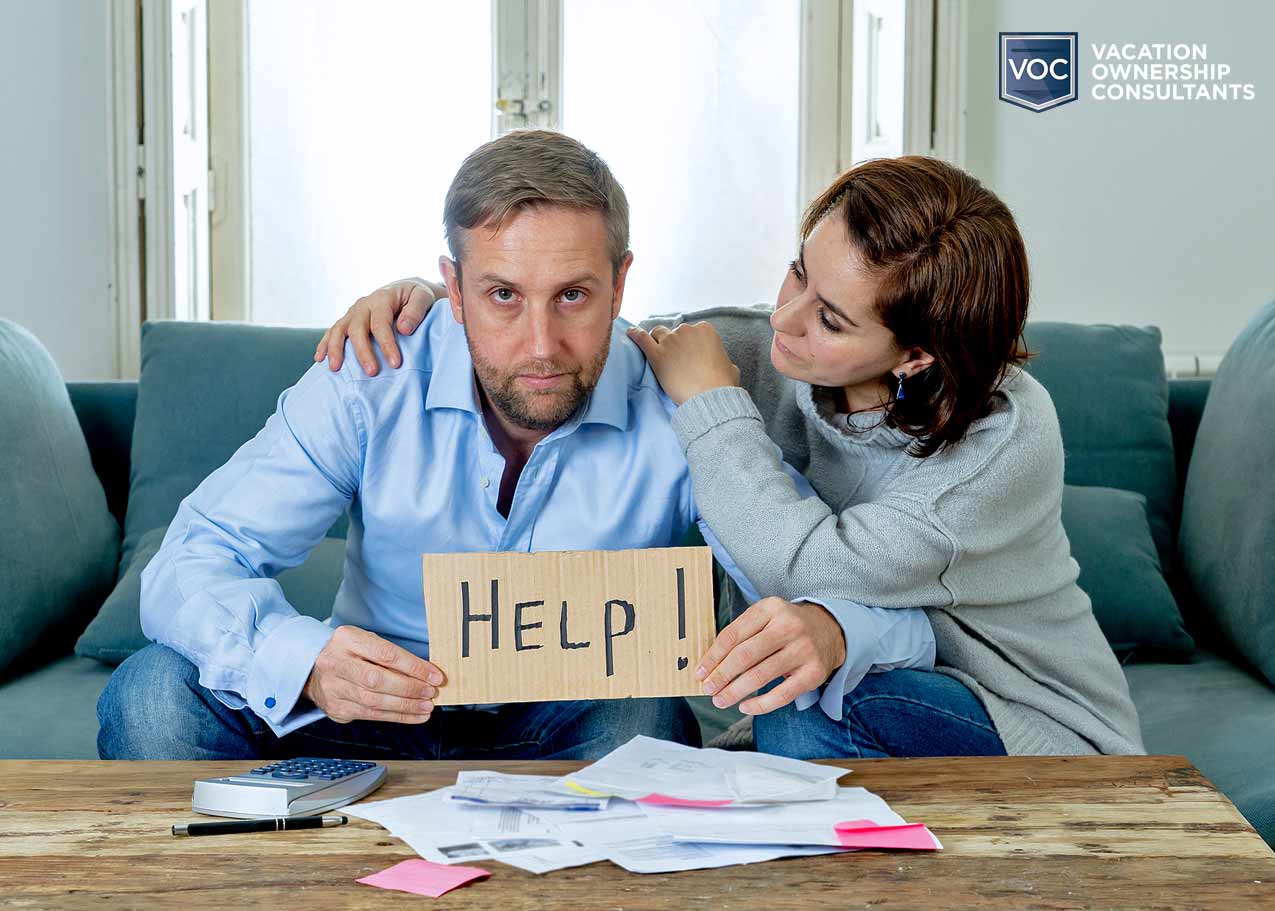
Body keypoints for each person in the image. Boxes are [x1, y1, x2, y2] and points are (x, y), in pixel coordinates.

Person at [96, 130, 933, 762]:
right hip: (367, 715)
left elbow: (845, 595)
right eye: (502, 294)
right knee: (150, 697)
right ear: (450, 289)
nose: (540, 344)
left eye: (573, 294)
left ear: (621, 283)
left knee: (644, 716)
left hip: (568, 719)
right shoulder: (370, 376)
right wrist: (306, 660)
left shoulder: (684, 407)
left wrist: (827, 625)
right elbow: (188, 563)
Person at [322, 153, 1146, 759]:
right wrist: (448, 306)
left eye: (830, 320)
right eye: (797, 273)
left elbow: (807, 566)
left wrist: (711, 404)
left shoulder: (1001, 440)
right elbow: (580, 331)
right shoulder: (765, 348)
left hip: (1030, 723)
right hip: (877, 676)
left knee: (802, 703)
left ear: (915, 357)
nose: (783, 319)